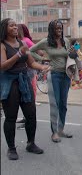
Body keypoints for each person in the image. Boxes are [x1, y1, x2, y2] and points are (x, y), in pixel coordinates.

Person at [0, 18, 50, 160]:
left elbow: (32, 62)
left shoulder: (21, 43)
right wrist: (18, 54)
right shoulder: (2, 45)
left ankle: (31, 143)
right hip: (10, 83)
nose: (15, 27)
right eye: (12, 25)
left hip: (24, 81)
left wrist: (43, 67)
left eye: (16, 25)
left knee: (31, 114)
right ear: (5, 28)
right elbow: (3, 66)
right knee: (11, 117)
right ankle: (11, 148)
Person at [30, 19, 73, 143]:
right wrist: (43, 59)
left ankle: (61, 130)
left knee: (63, 105)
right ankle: (54, 132)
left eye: (60, 28)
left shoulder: (66, 41)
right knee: (55, 104)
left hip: (65, 76)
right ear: (51, 30)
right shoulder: (46, 42)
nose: (59, 30)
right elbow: (31, 50)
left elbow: (69, 55)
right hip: (54, 75)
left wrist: (74, 57)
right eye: (56, 28)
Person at [16, 24, 44, 130]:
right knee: (24, 97)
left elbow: (40, 52)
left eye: (16, 28)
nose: (15, 30)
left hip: (29, 72)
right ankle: (25, 118)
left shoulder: (26, 41)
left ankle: (29, 120)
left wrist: (31, 60)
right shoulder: (17, 42)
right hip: (23, 73)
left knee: (29, 97)